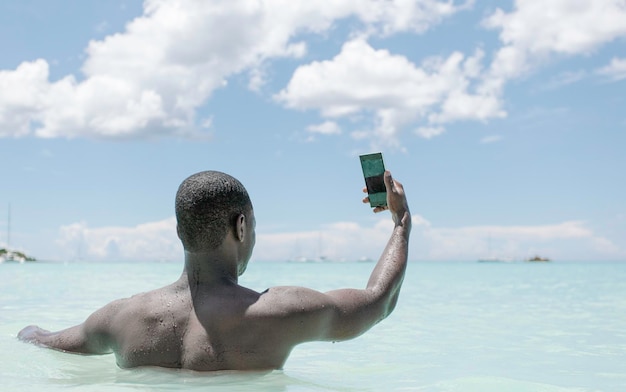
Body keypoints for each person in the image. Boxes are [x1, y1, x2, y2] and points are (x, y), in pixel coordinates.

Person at [18, 169, 411, 371]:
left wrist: (28, 331)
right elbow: (379, 301)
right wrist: (402, 220)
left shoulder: (120, 318)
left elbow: (43, 341)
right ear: (240, 226)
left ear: (179, 232)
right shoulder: (280, 312)